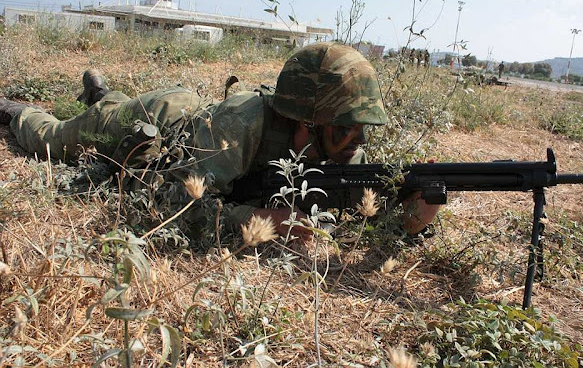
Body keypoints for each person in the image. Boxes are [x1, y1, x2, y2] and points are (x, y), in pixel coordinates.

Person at [0, 42, 438, 240]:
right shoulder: (240, 125)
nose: (355, 141)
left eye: (361, 128)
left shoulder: (340, 144)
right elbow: (171, 200)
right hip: (162, 116)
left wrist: (409, 219)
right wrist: (261, 219)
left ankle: (102, 93)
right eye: (345, 127)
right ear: (303, 119)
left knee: (106, 106)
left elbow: (356, 218)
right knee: (52, 139)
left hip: (193, 126)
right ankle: (15, 109)